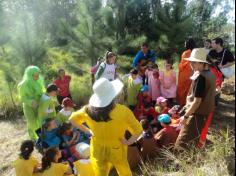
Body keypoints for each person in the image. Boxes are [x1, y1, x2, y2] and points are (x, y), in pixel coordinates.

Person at [69, 78, 143, 176]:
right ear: (112, 95)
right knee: (123, 170)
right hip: (116, 147)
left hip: (97, 147)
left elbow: (72, 119)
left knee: (100, 171)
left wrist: (88, 131)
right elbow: (138, 130)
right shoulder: (123, 111)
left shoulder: (87, 110)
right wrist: (128, 142)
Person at [175, 48, 216, 150]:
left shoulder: (201, 77)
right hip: (202, 114)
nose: (191, 65)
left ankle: (182, 163)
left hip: (196, 115)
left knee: (183, 144)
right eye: (190, 62)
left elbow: (197, 101)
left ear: (202, 63)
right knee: (193, 140)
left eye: (194, 62)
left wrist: (185, 116)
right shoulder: (210, 74)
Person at [18, 66, 45, 140]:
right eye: (35, 75)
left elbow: (41, 92)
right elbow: (22, 98)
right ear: (29, 74)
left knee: (39, 121)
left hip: (38, 105)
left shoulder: (38, 82)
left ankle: (40, 136)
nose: (37, 77)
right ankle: (33, 137)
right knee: (32, 122)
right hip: (29, 107)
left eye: (38, 75)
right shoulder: (23, 84)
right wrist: (30, 102)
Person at [177, 38, 195, 107]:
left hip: (184, 72)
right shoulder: (194, 52)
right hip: (191, 72)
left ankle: (181, 103)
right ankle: (186, 102)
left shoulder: (186, 52)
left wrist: (179, 66)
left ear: (188, 44)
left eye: (185, 43)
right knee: (188, 88)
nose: (184, 44)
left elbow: (182, 63)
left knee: (182, 88)